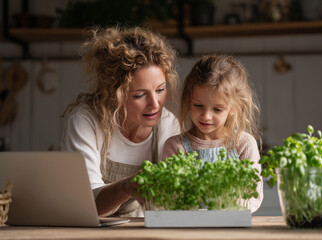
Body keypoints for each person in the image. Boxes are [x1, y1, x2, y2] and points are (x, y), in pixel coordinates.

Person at [61, 26, 179, 217]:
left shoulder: (167, 124)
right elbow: (87, 203)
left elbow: (170, 202)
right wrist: (126, 186)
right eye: (140, 95)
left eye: (160, 90)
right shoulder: (85, 121)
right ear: (115, 94)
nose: (155, 104)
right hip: (87, 230)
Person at [162, 54, 263, 213]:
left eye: (217, 109)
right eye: (198, 105)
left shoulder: (243, 143)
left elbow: (253, 196)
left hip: (232, 227)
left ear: (233, 109)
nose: (206, 116)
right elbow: (171, 198)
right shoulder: (176, 146)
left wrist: (223, 208)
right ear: (189, 100)